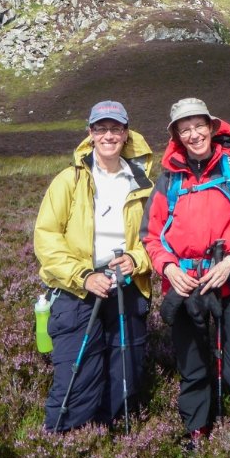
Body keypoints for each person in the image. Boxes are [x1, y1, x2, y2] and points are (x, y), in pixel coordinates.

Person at [141, 98, 230, 447]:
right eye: (185, 129)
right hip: (184, 288)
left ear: (212, 127)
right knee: (193, 368)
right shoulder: (168, 181)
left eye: (199, 126)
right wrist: (167, 267)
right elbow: (150, 236)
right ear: (177, 136)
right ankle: (197, 430)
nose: (193, 134)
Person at [34, 100, 155, 431]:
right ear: (90, 134)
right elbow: (46, 238)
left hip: (128, 288)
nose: (108, 136)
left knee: (125, 375)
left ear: (126, 134)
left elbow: (156, 238)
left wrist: (136, 259)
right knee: (78, 377)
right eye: (101, 129)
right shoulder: (68, 181)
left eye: (115, 129)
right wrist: (84, 276)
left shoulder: (144, 185)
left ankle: (111, 441)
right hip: (77, 291)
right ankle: (65, 440)